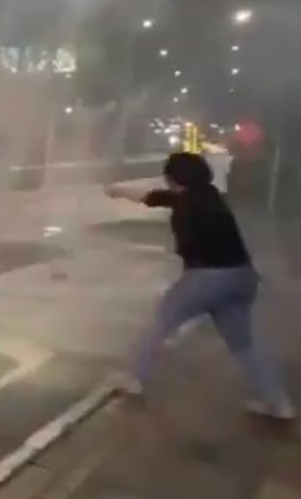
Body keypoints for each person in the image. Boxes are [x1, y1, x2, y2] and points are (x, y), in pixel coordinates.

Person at [106, 152, 294, 420]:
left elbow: (188, 243)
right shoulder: (210, 195)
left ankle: (133, 379)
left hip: (208, 277)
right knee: (244, 345)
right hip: (242, 276)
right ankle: (278, 403)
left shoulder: (187, 207)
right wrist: (120, 190)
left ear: (175, 178)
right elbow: (158, 198)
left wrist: (188, 276)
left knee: (161, 321)